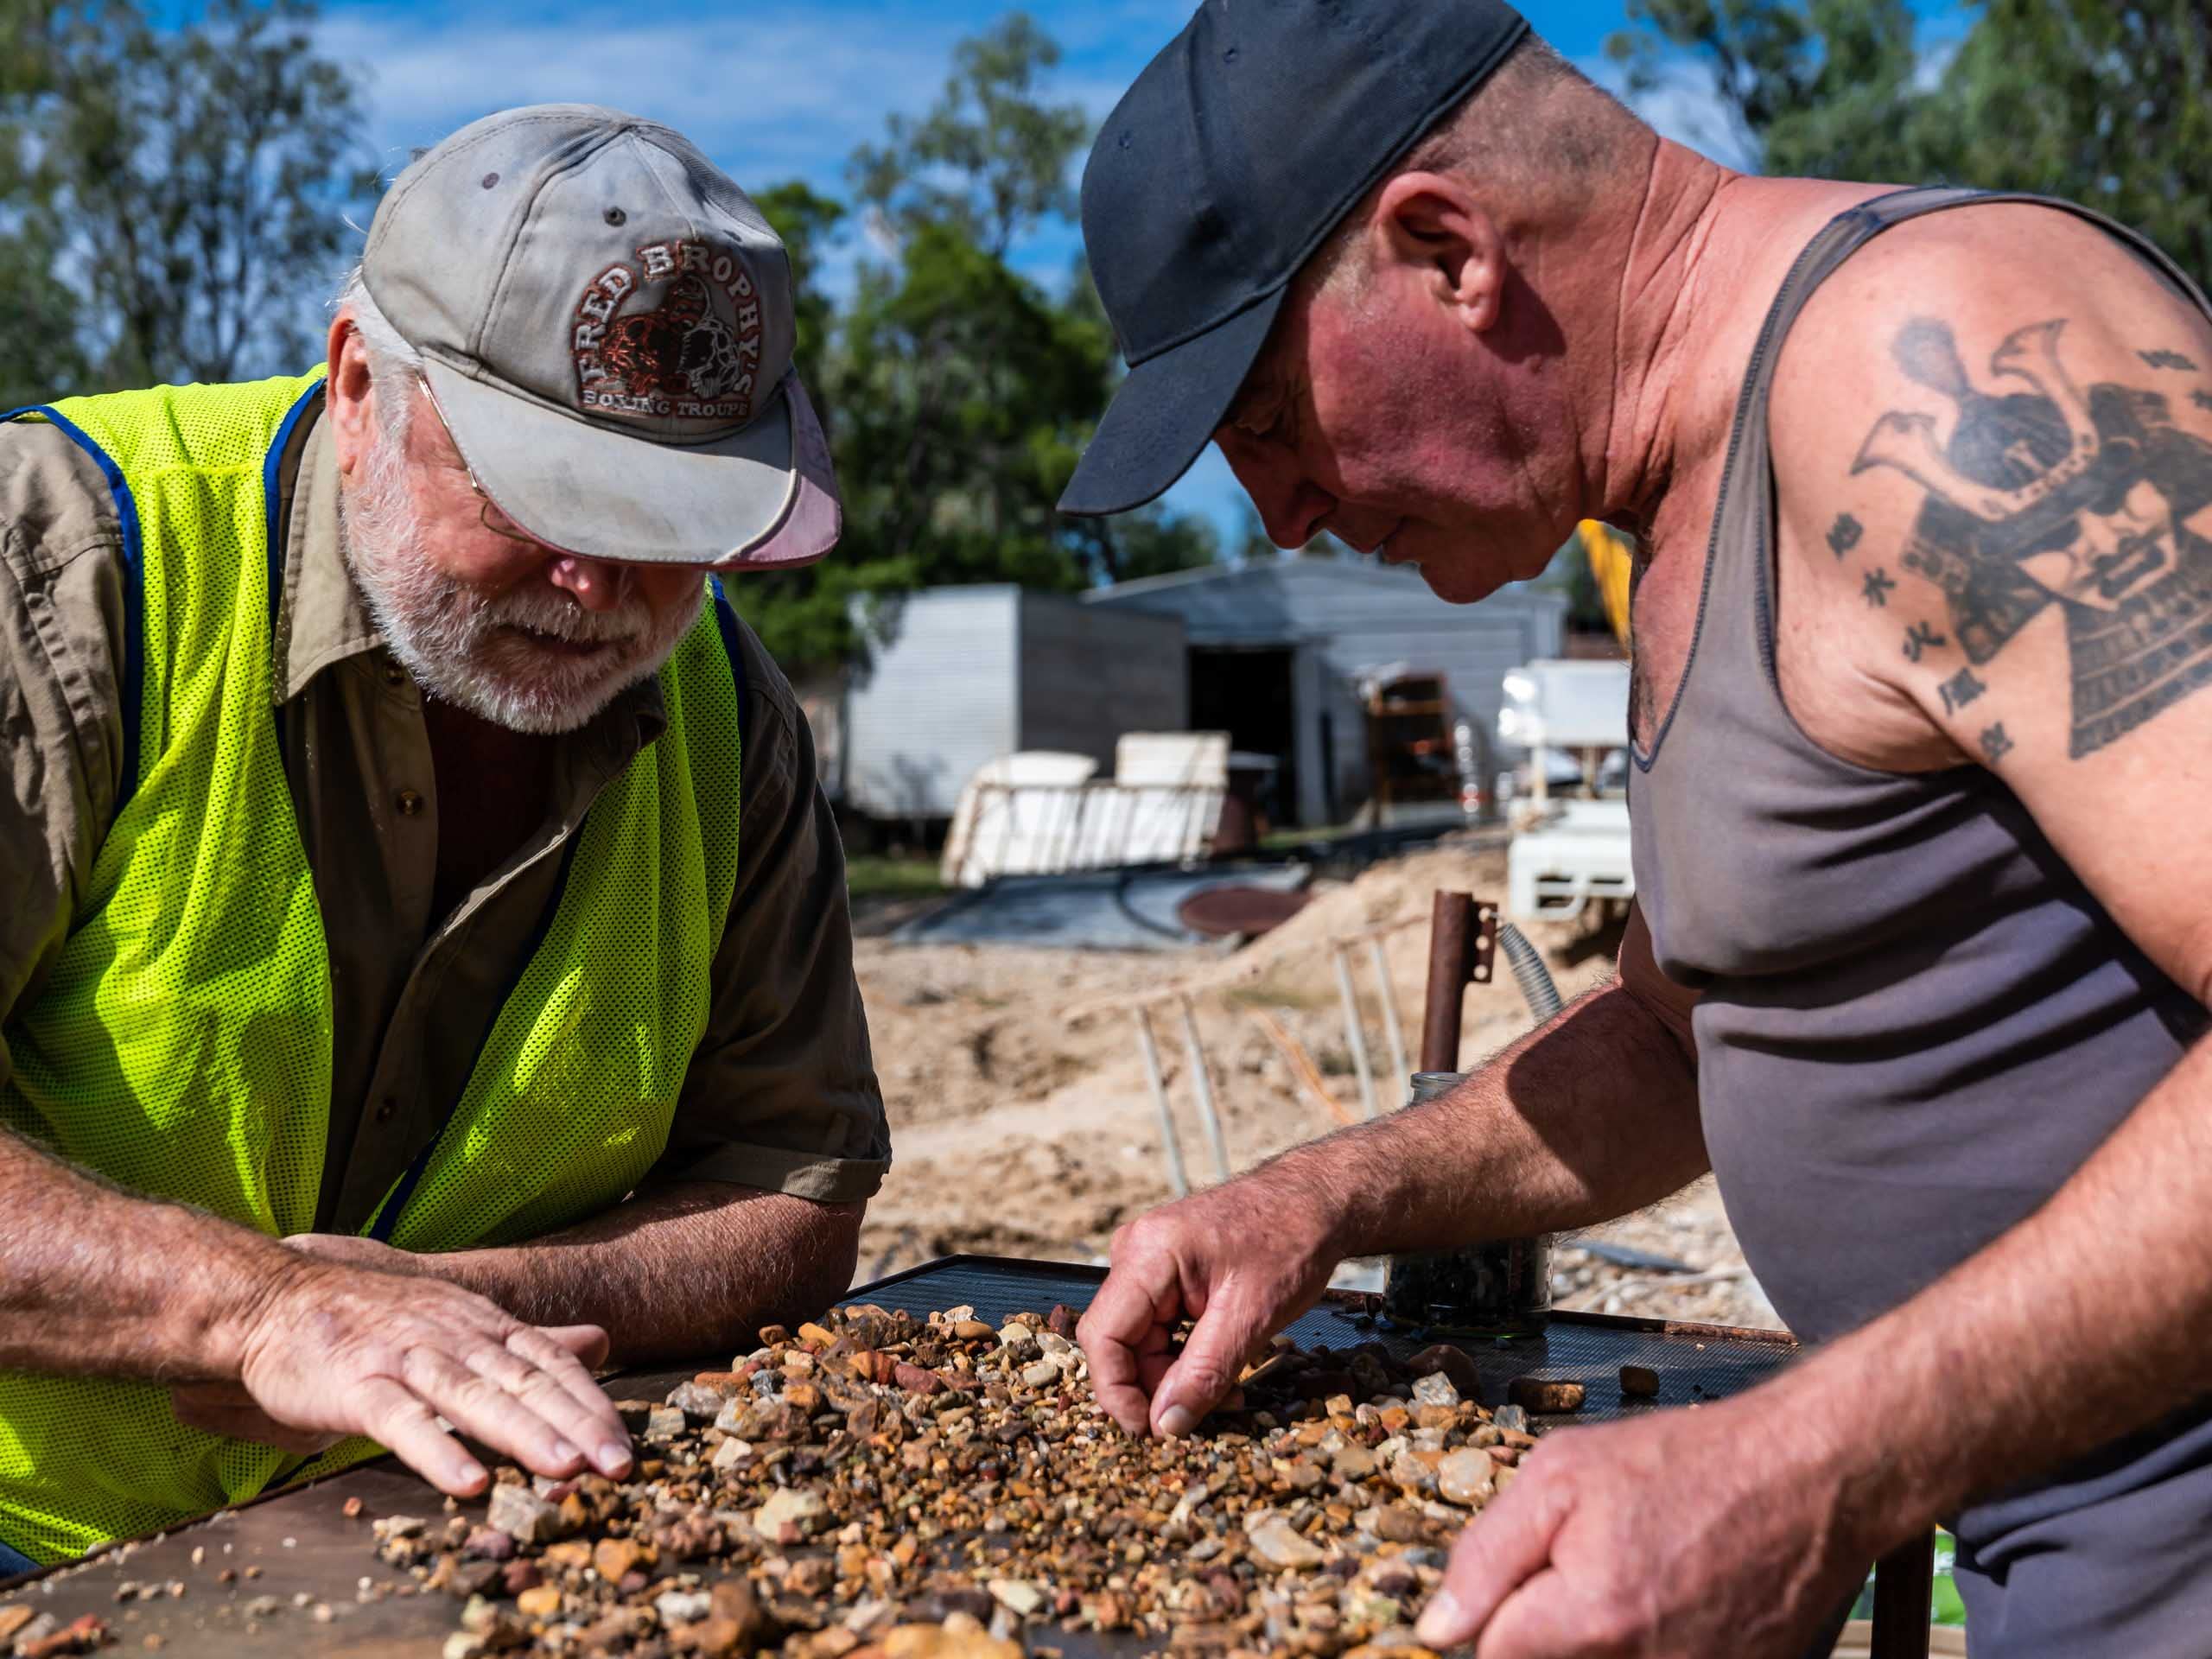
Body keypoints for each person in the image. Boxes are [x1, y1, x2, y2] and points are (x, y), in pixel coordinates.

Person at [1060, 3, 2212, 1655]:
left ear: (1447, 247)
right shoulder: (1670, 512)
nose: (1280, 511)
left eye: (1264, 419)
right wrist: (1320, 1197)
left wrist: (1811, 1468)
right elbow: (1693, 1040)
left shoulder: (1933, 370)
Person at [0, 105, 889, 1573]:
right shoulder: (69, 566)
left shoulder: (733, 718)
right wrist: (265, 1309)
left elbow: (790, 1186)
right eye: (539, 491)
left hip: (418, 1556)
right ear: (360, 387)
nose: (599, 583)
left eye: (668, 520)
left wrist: (468, 1301)